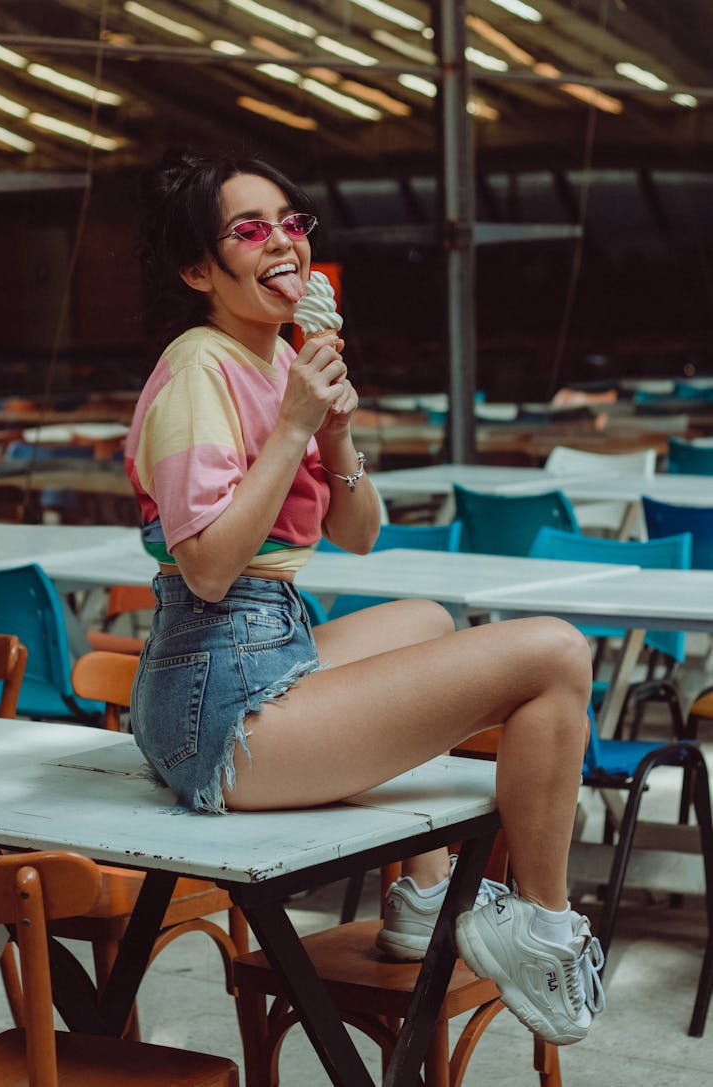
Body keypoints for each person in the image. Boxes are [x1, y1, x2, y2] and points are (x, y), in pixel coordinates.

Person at [125, 148, 605, 1047]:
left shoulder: (277, 360)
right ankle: (544, 925)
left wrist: (334, 432)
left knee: (426, 620)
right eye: (250, 229)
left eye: (293, 222)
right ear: (199, 270)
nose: (284, 243)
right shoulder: (199, 367)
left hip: (246, 658)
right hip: (220, 703)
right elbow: (209, 570)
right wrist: (296, 426)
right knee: (555, 652)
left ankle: (424, 901)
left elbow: (359, 533)